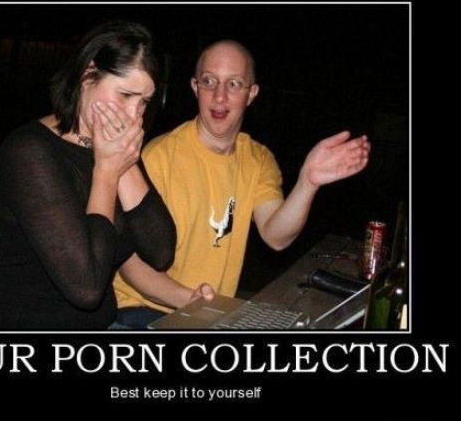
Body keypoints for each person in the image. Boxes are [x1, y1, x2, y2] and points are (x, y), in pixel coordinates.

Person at [112, 39, 371, 328]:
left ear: (251, 94)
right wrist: (191, 301)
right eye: (209, 81)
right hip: (140, 311)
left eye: (234, 84)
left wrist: (308, 182)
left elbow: (276, 236)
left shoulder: (258, 159)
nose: (219, 96)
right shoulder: (157, 157)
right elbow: (130, 265)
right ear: (195, 87)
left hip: (206, 314)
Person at [0, 21, 177, 330]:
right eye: (125, 95)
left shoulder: (114, 147)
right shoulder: (30, 151)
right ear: (87, 75)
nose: (135, 116)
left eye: (144, 102)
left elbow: (160, 253)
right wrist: (106, 172)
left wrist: (124, 162)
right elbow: (86, 287)